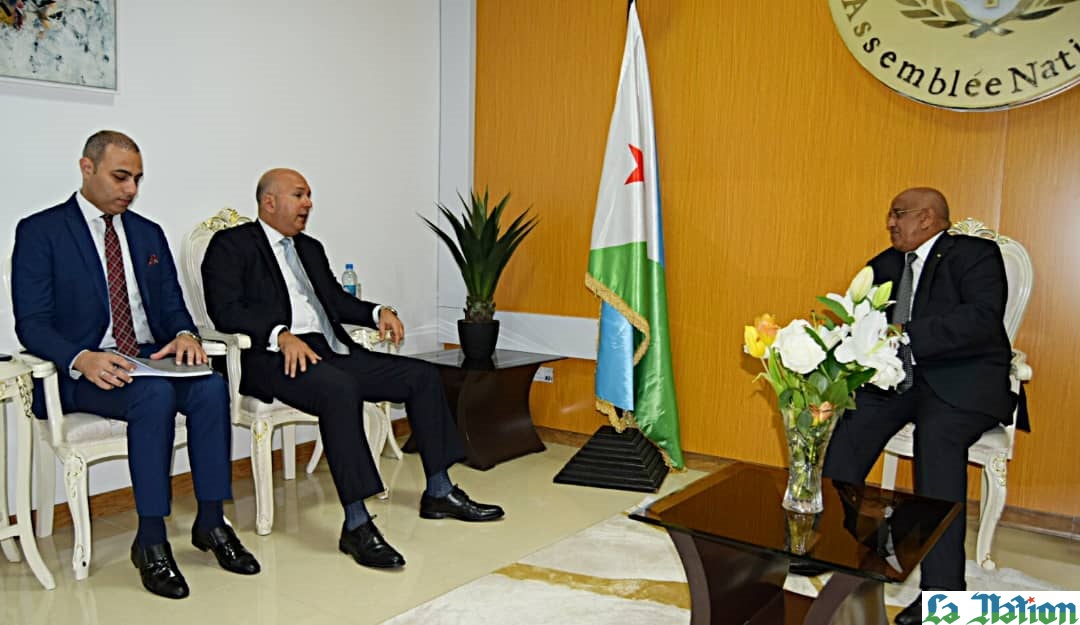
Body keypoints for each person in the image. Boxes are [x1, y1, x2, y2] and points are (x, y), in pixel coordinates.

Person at [200, 168, 504, 570]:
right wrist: (279, 334)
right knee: (339, 388)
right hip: (273, 357)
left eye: (309, 195)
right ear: (269, 202)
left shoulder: (309, 248)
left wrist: (378, 312)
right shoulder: (231, 245)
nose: (308, 203)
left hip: (330, 349)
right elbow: (225, 310)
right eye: (299, 195)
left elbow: (336, 302)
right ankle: (357, 524)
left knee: (423, 376)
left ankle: (439, 490)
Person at [12, 130, 260, 599]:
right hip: (83, 371)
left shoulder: (147, 233)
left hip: (146, 359)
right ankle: (150, 539)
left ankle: (211, 522)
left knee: (210, 385)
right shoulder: (41, 231)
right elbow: (32, 324)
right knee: (154, 394)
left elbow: (172, 307)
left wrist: (185, 335)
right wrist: (81, 357)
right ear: (87, 168)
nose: (130, 189)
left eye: (137, 179)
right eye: (120, 177)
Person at [822, 187, 1015, 625]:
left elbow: (982, 319)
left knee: (938, 439)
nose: (890, 223)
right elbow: (859, 321)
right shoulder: (883, 264)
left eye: (898, 214)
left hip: (962, 382)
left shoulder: (975, 255)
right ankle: (843, 547)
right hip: (896, 382)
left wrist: (907, 334)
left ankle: (943, 597)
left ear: (927, 218)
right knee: (851, 427)